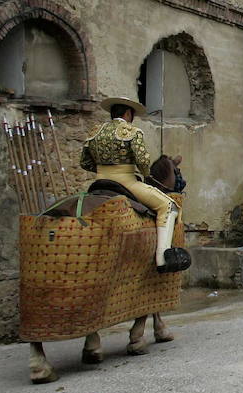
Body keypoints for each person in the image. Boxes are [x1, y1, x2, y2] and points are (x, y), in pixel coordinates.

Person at [79, 96, 190, 273]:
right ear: (128, 113)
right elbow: (143, 160)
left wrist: (103, 170)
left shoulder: (95, 132)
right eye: (132, 114)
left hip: (99, 181)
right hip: (126, 182)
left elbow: (84, 162)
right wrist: (146, 175)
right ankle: (162, 260)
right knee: (169, 206)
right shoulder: (130, 131)